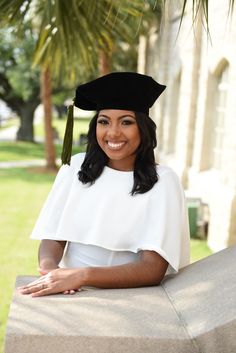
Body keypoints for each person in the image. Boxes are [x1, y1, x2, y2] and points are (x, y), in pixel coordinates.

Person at [18, 72, 190, 297]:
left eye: (126, 122)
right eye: (104, 121)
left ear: (143, 128)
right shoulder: (76, 168)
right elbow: (53, 234)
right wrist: (51, 270)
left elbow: (152, 269)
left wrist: (81, 275)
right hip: (69, 290)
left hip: (126, 296)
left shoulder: (163, 181)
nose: (113, 133)